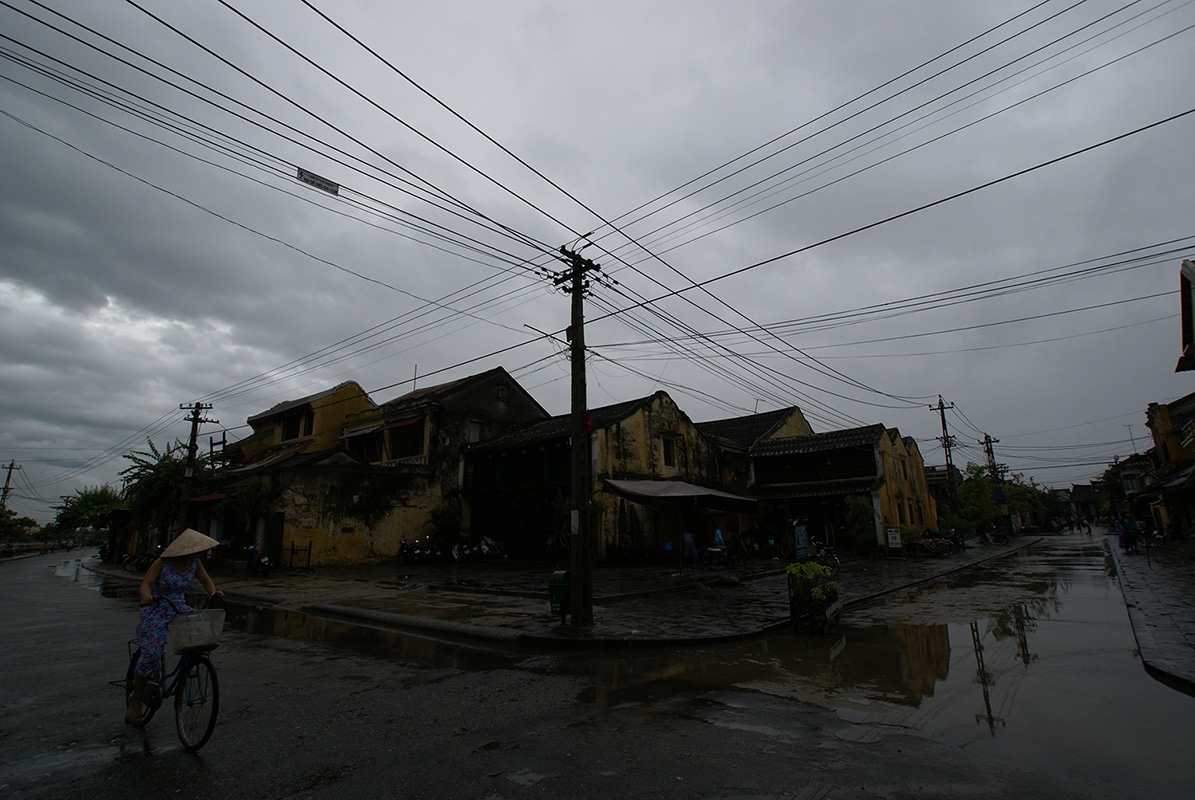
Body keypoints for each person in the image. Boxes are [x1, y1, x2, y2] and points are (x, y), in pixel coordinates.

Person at [125, 528, 222, 724]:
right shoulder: (163, 562)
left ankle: (190, 662)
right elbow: (146, 583)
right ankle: (136, 700)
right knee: (152, 653)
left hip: (178, 605)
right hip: (158, 605)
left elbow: (205, 580)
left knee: (198, 629)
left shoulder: (195, 564)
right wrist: (146, 596)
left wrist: (213, 593)